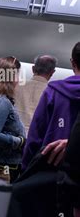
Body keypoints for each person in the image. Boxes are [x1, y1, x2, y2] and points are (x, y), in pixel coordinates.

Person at [22, 42, 80, 171]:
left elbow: (35, 136)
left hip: (50, 168)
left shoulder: (53, 92)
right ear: (52, 72)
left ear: (73, 62)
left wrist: (26, 167)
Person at [16, 55, 57, 133]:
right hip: (36, 139)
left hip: (14, 137)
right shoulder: (54, 93)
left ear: (33, 68)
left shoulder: (16, 86)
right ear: (52, 72)